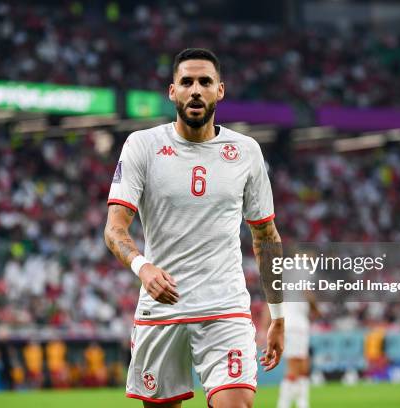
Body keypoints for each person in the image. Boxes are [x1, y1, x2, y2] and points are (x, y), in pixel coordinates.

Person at [104, 48, 284, 408]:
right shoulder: (143, 145)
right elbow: (114, 229)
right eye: (186, 82)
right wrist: (144, 268)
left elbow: (266, 238)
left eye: (205, 82)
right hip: (162, 309)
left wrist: (278, 315)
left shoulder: (246, 151)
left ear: (221, 90)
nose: (196, 90)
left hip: (225, 307)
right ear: (173, 92)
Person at [261, 294, 318, 408]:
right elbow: (270, 303)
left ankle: (301, 403)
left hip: (302, 328)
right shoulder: (284, 282)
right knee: (294, 367)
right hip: (291, 328)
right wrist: (264, 329)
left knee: (303, 368)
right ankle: (284, 404)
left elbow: (314, 309)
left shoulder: (302, 283)